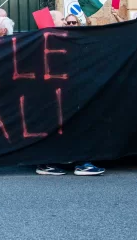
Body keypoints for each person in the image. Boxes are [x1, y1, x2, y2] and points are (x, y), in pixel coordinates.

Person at [36, 10, 106, 178]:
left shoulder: (65, 40)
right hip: (57, 96)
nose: (67, 24)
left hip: (67, 95)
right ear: (52, 22)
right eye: (64, 20)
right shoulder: (47, 41)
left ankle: (73, 162)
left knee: (69, 129)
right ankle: (58, 163)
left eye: (71, 22)